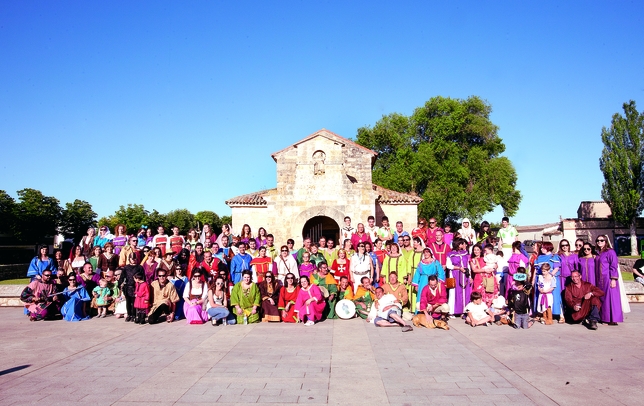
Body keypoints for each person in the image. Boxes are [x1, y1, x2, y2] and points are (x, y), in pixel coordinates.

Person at [594, 235, 624, 325]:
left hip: (608, 278)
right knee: (602, 298)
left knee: (609, 298)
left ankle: (611, 319)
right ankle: (604, 318)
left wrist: (613, 279)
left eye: (602, 240)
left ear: (606, 241)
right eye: (598, 240)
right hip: (599, 279)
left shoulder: (610, 252)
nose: (599, 242)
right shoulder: (598, 253)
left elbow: (613, 266)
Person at [534, 241, 563, 322]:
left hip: (552, 279)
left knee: (555, 297)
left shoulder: (554, 257)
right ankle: (542, 314)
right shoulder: (539, 258)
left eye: (543, 247)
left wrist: (550, 275)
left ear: (548, 248)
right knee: (541, 297)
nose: (541, 249)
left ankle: (560, 315)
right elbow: (536, 270)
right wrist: (534, 281)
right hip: (541, 279)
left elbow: (556, 267)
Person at [412, 248, 444, 312]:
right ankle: (421, 312)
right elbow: (417, 274)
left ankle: (433, 311)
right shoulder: (421, 263)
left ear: (430, 253)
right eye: (425, 252)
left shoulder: (435, 262)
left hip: (433, 280)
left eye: (427, 252)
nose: (426, 254)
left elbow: (441, 272)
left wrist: (439, 282)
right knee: (422, 296)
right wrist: (416, 284)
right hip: (423, 281)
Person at [447, 238, 471, 316]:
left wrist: (469, 276)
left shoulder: (465, 253)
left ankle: (463, 311)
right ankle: (452, 312)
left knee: (464, 293)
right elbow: (449, 265)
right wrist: (459, 268)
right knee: (454, 292)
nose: (463, 245)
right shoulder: (450, 254)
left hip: (464, 275)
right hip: (454, 275)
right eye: (461, 243)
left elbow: (468, 265)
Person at [119, 253, 143, 322]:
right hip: (128, 287)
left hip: (136, 287)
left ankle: (134, 315)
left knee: (134, 302)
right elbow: (122, 277)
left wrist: (141, 285)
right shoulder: (126, 267)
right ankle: (129, 315)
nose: (134, 260)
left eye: (135, 258)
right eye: (132, 259)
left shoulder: (139, 267)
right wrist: (120, 284)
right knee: (128, 302)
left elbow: (143, 277)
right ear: (129, 259)